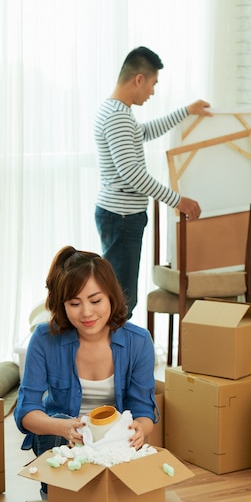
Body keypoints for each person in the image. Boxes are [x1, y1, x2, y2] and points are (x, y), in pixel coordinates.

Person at [14, 245, 158, 480]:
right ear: (62, 304)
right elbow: (26, 411)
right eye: (74, 303)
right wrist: (63, 427)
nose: (86, 313)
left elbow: (143, 412)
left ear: (111, 296)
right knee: (58, 423)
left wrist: (140, 428)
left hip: (112, 444)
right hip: (60, 441)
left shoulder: (139, 341)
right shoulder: (44, 339)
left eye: (95, 300)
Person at [94, 46, 213, 317]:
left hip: (119, 216)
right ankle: (113, 358)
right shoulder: (117, 117)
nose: (152, 92)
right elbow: (131, 173)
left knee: (119, 297)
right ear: (139, 79)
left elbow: (144, 132)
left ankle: (113, 357)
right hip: (122, 217)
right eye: (153, 84)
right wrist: (178, 200)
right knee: (120, 301)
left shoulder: (116, 112)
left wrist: (186, 111)